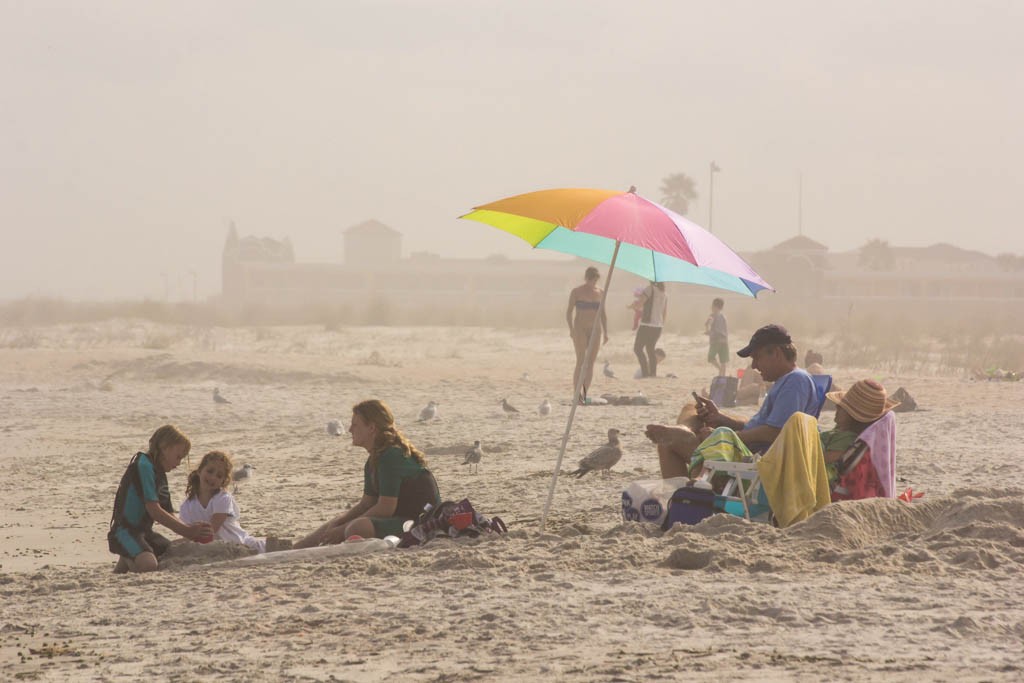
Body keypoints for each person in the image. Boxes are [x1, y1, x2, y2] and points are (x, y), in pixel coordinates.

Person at [645, 324, 818, 478]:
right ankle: (685, 431)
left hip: (752, 461)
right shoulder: (787, 380)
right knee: (691, 409)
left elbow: (775, 432)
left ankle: (686, 498)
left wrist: (726, 437)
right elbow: (762, 426)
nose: (754, 366)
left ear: (777, 354)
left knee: (667, 444)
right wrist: (721, 419)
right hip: (749, 448)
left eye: (757, 357)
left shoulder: (795, 382)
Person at [295, 399, 441, 547]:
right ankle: (295, 548)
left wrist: (343, 529)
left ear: (371, 428)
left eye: (355, 425)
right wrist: (340, 522)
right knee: (337, 523)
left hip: (421, 522)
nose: (350, 429)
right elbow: (366, 503)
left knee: (356, 527)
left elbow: (385, 508)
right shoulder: (374, 459)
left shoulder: (391, 455)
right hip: (399, 518)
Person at [108, 425, 213, 573]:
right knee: (149, 565)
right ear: (164, 447)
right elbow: (154, 510)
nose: (179, 463)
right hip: (125, 531)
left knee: (172, 552)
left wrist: (192, 531)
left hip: (145, 533)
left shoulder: (160, 474)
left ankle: (125, 563)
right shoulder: (143, 465)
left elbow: (167, 513)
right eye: (178, 457)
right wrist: (187, 531)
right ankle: (129, 557)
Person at [179, 450, 267, 553]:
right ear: (199, 471)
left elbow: (211, 530)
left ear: (223, 481)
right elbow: (189, 535)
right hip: (211, 550)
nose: (213, 477)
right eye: (210, 471)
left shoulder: (223, 498)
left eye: (219, 476)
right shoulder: (187, 506)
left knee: (274, 547)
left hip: (243, 545)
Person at [820, 379, 900, 485]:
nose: (836, 408)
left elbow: (821, 459)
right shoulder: (843, 431)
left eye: (841, 407)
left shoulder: (848, 439)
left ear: (852, 415)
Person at [566, 266, 608, 402]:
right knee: (581, 361)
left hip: (595, 330)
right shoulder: (577, 292)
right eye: (591, 280)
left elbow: (603, 314)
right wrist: (571, 329)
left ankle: (583, 394)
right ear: (587, 278)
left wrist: (606, 332)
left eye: (596, 281)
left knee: (590, 363)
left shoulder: (600, 292)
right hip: (580, 328)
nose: (593, 283)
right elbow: (568, 312)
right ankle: (576, 393)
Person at [634, 281, 668, 378]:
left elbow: (639, 305)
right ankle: (653, 374)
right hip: (658, 326)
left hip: (647, 324)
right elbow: (664, 312)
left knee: (637, 348)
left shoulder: (649, 289)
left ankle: (645, 373)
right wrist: (661, 325)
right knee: (650, 349)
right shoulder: (664, 293)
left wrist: (632, 306)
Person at [705, 298, 728, 376]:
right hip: (724, 341)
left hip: (716, 341)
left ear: (715, 306)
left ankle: (719, 369)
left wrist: (707, 330)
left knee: (711, 357)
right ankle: (723, 377)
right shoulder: (723, 317)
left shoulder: (712, 316)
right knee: (723, 361)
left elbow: (708, 323)